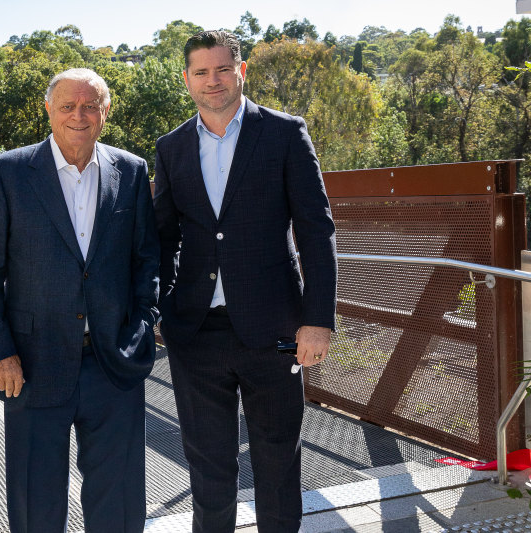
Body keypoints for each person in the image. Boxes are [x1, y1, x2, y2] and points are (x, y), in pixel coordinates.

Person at [153, 30, 337, 533]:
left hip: (275, 331)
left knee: (278, 464)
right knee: (209, 469)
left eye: (221, 69)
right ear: (186, 78)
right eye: (200, 72)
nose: (212, 81)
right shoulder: (170, 148)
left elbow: (317, 232)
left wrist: (318, 320)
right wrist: (162, 309)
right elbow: (163, 238)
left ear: (241, 70)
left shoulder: (284, 133)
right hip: (196, 333)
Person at [0, 68, 159, 533]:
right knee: (38, 504)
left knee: (119, 502)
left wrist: (140, 332)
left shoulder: (131, 172)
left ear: (106, 112)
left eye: (90, 105)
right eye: (68, 106)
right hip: (32, 366)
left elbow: (147, 262)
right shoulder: (8, 172)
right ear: (49, 109)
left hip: (113, 365)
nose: (80, 115)